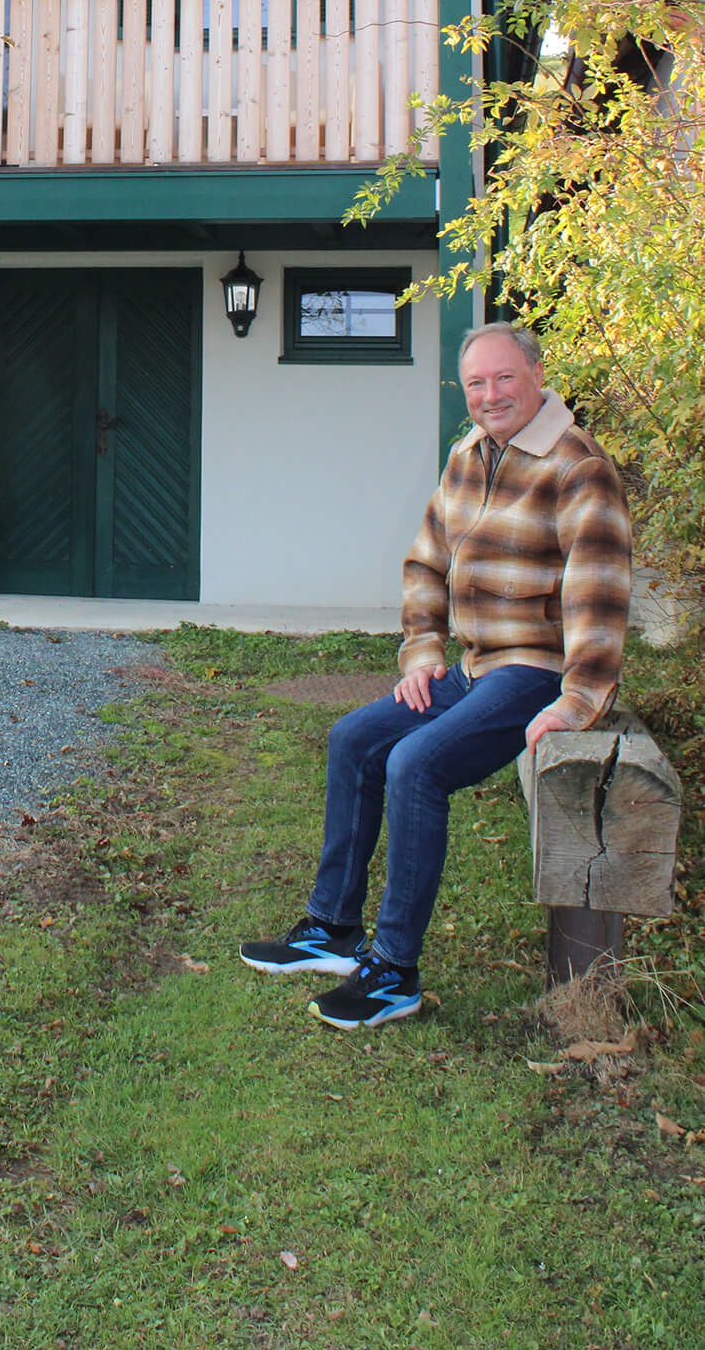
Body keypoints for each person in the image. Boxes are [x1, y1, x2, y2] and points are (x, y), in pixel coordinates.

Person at [240, 322, 632, 1030]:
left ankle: (394, 973)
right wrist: (422, 650)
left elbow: (599, 590)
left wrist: (579, 700)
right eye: (476, 383)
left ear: (537, 374)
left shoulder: (579, 467)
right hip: (474, 668)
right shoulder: (468, 456)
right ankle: (331, 929)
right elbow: (427, 562)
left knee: (415, 765)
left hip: (535, 672)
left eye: (504, 378)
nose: (490, 395)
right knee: (355, 740)